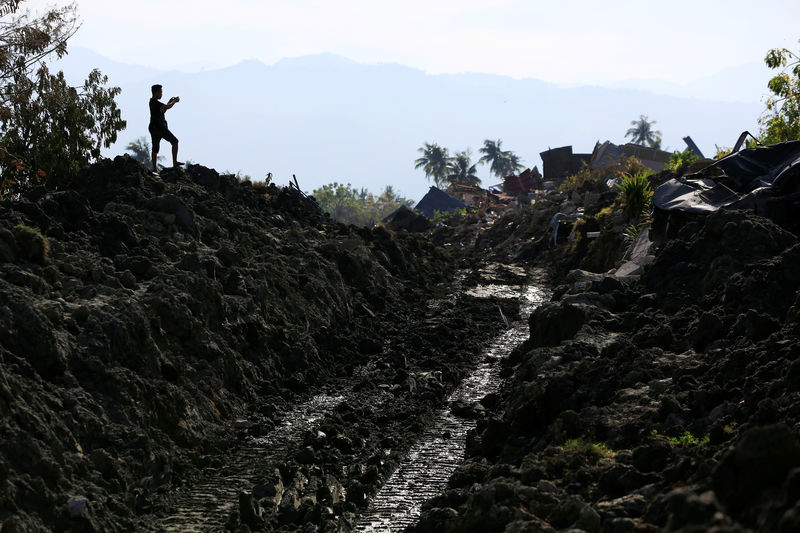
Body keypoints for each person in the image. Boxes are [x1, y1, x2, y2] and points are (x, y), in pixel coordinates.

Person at [148, 84, 183, 172]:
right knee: (175, 141)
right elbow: (167, 107)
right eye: (160, 92)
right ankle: (174, 162)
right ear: (156, 93)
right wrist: (174, 101)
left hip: (154, 127)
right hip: (159, 128)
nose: (161, 94)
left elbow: (163, 110)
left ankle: (155, 169)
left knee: (155, 148)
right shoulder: (154, 102)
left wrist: (169, 101)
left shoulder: (153, 102)